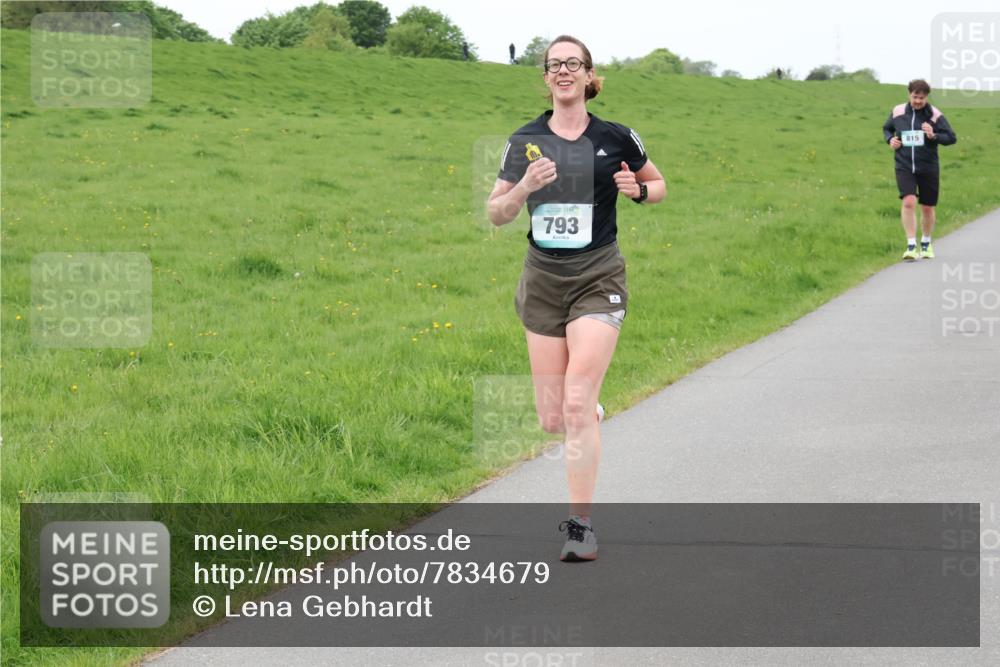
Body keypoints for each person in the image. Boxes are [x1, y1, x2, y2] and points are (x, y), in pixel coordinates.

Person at [487, 35, 666, 562]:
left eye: (573, 63)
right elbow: (496, 214)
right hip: (543, 281)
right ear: (545, 77)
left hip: (597, 276)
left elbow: (659, 185)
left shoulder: (616, 137)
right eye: (554, 64)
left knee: (575, 400)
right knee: (553, 418)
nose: (563, 71)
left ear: (590, 76)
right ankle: (587, 410)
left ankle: (581, 529)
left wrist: (638, 190)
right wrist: (523, 187)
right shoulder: (524, 141)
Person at [882, 79, 957, 261]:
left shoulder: (934, 115)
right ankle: (910, 245)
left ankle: (926, 242)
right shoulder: (898, 111)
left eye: (921, 98)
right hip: (904, 165)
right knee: (908, 202)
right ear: (909, 94)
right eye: (915, 97)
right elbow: (887, 129)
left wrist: (933, 135)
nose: (917, 101)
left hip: (928, 166)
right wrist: (891, 140)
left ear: (926, 97)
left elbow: (951, 137)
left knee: (927, 208)